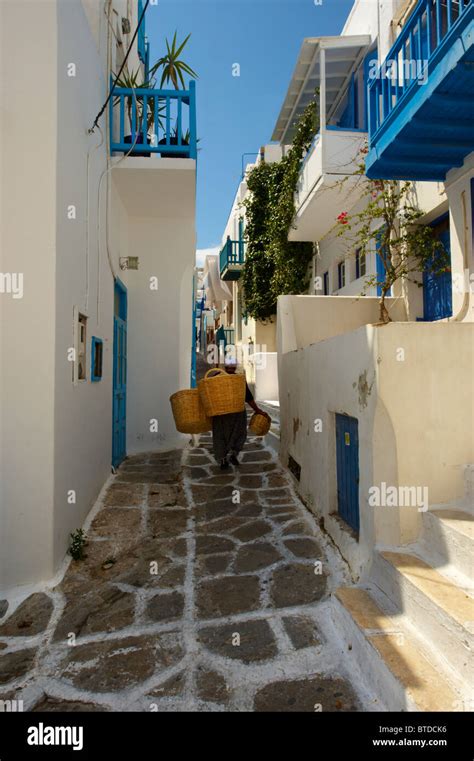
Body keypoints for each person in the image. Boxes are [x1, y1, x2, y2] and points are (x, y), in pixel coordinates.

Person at [211, 357, 269, 469]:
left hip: (225, 414)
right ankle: (229, 456)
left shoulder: (219, 377)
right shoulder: (238, 378)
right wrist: (257, 410)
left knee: (222, 435)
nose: (231, 368)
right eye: (230, 366)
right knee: (236, 434)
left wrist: (258, 410)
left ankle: (227, 457)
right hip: (231, 413)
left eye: (232, 365)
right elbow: (248, 397)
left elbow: (247, 396)